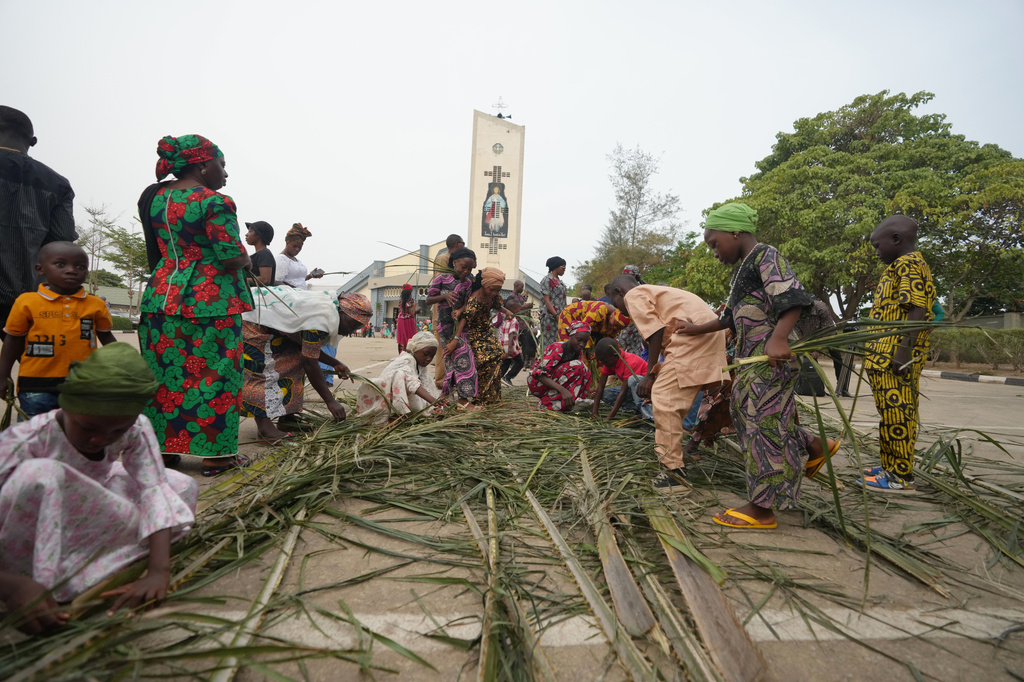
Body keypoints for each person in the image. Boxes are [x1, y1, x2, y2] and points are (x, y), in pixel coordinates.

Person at [0, 343, 197, 635]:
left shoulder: (134, 427)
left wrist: (158, 571)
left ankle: (85, 567)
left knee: (182, 485)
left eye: (116, 430)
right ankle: (39, 585)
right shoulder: (24, 441)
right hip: (26, 541)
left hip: (79, 514)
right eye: (87, 427)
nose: (100, 440)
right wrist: (10, 585)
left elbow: (153, 488)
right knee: (42, 472)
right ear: (65, 405)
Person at [674, 203, 840, 524]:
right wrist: (696, 329)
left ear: (735, 231)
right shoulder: (743, 269)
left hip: (770, 358)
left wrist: (778, 339)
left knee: (761, 424)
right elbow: (730, 318)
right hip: (751, 360)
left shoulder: (766, 256)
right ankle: (817, 445)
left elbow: (792, 298)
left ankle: (762, 509)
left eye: (714, 243)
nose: (714, 252)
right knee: (752, 414)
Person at [137, 134, 253, 473]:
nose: (225, 173)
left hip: (161, 297)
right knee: (217, 375)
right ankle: (218, 455)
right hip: (211, 300)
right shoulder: (215, 201)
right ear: (203, 164)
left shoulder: (155, 198)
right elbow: (231, 256)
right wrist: (247, 263)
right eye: (222, 165)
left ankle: (165, 451)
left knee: (166, 376)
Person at [608, 275, 727, 490]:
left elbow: (655, 331)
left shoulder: (634, 295)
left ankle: (675, 473)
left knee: (663, 398)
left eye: (613, 302)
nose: (618, 309)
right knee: (674, 401)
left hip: (692, 335)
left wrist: (651, 374)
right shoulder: (656, 293)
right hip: (707, 332)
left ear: (618, 291)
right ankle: (676, 460)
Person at [859, 216, 936, 492]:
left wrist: (903, 352)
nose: (876, 252)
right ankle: (889, 466)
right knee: (890, 414)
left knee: (899, 415)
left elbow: (917, 309)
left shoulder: (909, 264)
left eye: (877, 246)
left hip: (895, 357)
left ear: (896, 239)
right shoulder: (899, 265)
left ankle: (901, 476)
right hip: (884, 355)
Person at [0, 242, 116, 418]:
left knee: (80, 437)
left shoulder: (96, 304)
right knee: (37, 438)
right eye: (60, 264)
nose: (71, 270)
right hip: (35, 387)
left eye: (80, 266)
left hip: (83, 387)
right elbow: (13, 339)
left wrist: (126, 369)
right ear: (40, 269)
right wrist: (3, 375)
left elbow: (107, 338)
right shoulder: (26, 302)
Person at [240, 291, 368, 445]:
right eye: (353, 325)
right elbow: (310, 363)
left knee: (294, 363)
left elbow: (308, 351)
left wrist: (334, 362)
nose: (351, 331)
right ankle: (264, 429)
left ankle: (287, 419)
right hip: (254, 324)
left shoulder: (327, 316)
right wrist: (330, 401)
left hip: (277, 330)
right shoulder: (320, 319)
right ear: (342, 313)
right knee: (263, 371)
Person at [0, 106, 76, 338]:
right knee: (35, 368)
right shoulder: (59, 185)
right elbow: (62, 246)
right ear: (33, 141)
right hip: (24, 297)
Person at [426, 248, 477, 404]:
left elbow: (468, 304)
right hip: (445, 326)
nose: (466, 271)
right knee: (450, 361)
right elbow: (429, 299)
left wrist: (460, 310)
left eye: (470, 269)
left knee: (465, 358)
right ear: (454, 263)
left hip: (462, 326)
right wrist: (445, 296)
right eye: (464, 267)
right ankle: (447, 396)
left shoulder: (468, 283)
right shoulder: (441, 279)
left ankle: (462, 398)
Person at [356, 330, 441, 424]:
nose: (429, 359)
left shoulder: (420, 365)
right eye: (426, 354)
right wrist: (433, 401)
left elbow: (425, 383)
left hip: (400, 394)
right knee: (400, 376)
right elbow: (413, 384)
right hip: (384, 397)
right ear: (415, 349)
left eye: (432, 356)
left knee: (428, 379)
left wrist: (435, 404)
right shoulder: (407, 360)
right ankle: (399, 415)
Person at [457, 267, 511, 405]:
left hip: (487, 331)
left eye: (497, 290)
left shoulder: (493, 296)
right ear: (484, 284)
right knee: (483, 361)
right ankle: (480, 397)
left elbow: (498, 306)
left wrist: (507, 312)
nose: (494, 293)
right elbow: (464, 318)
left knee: (498, 354)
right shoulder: (475, 299)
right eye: (492, 289)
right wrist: (456, 339)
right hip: (475, 334)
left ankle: (492, 396)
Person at [528, 321, 592, 412]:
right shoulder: (558, 348)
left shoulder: (577, 351)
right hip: (537, 383)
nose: (582, 344)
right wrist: (563, 390)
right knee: (580, 366)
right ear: (570, 336)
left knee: (586, 372)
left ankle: (571, 404)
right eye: (579, 340)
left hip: (554, 380)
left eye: (585, 342)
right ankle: (547, 405)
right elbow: (539, 375)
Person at [793, 298, 851, 397]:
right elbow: (797, 332)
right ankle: (812, 387)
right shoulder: (795, 312)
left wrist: (819, 349)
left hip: (828, 337)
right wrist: (805, 347)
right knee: (808, 362)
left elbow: (828, 330)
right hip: (808, 338)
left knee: (837, 359)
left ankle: (842, 388)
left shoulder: (821, 308)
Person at [431, 234, 466, 388]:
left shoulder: (461, 261)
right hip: (444, 309)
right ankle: (440, 380)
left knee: (457, 344)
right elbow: (441, 285)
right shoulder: (444, 258)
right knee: (443, 345)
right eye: (463, 244)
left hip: (457, 309)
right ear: (458, 244)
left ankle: (455, 378)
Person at [591, 337, 652, 421]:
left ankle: (649, 416)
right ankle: (636, 409)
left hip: (646, 391)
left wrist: (609, 418)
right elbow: (600, 387)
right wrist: (594, 413)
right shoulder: (609, 361)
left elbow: (623, 393)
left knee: (632, 379)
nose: (603, 364)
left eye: (604, 362)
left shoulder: (630, 362)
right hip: (632, 391)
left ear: (615, 355)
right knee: (604, 394)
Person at [276, 223, 325, 289]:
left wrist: (310, 276)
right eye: (294, 246)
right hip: (290, 297)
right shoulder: (281, 259)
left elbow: (298, 280)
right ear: (287, 242)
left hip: (300, 296)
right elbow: (277, 282)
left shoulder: (296, 261)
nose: (297, 249)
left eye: (299, 247)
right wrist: (296, 290)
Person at [539, 257, 567, 350]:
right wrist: (556, 315)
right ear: (556, 267)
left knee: (559, 342)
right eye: (563, 268)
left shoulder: (559, 281)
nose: (564, 270)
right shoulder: (547, 280)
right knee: (549, 343)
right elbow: (547, 300)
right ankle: (546, 363)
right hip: (549, 318)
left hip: (560, 317)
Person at [499, 298, 525, 386]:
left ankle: (498, 377)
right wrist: (510, 347)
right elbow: (511, 334)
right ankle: (508, 377)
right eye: (519, 309)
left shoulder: (505, 321)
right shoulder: (514, 321)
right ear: (514, 310)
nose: (520, 311)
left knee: (507, 362)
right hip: (511, 346)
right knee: (520, 362)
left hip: (504, 345)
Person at [245, 221, 277, 286]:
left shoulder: (264, 254)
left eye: (250, 231)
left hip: (260, 295)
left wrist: (242, 280)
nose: (246, 234)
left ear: (259, 235)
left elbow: (265, 280)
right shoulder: (259, 254)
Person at [396, 284, 418, 353]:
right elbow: (412, 314)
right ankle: (407, 353)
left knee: (403, 339)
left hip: (401, 320)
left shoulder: (401, 302)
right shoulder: (408, 303)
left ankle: (402, 353)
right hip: (408, 321)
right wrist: (414, 306)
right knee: (409, 339)